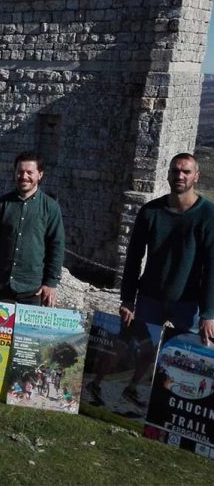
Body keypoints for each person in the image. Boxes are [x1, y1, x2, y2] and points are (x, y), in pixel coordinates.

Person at [87, 153, 214, 406]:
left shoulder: (208, 215)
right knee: (128, 344)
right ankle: (97, 385)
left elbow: (213, 266)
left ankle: (163, 406)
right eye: (175, 170)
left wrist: (209, 312)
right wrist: (127, 299)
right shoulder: (150, 212)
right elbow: (133, 258)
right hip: (149, 297)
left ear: (196, 176)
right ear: (167, 174)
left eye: (186, 172)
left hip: (188, 302)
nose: (180, 176)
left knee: (189, 357)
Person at [0, 152, 65, 307]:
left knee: (25, 333)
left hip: (32, 289)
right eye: (20, 171)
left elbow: (56, 246)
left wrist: (51, 283)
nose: (24, 176)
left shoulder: (50, 208)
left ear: (40, 175)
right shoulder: (1, 204)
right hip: (0, 286)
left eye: (30, 172)